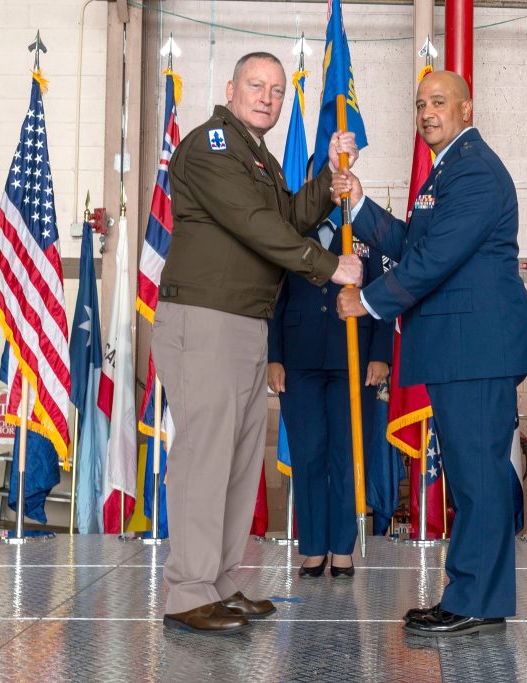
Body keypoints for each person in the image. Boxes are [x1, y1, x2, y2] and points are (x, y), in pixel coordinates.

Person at [152, 51, 362, 635]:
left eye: (276, 89)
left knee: (239, 461)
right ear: (230, 88)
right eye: (256, 85)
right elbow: (253, 223)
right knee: (204, 458)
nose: (268, 96)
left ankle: (217, 582)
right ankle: (188, 592)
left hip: (244, 321)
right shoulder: (211, 145)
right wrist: (330, 266)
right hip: (205, 319)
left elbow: (289, 215)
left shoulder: (259, 157)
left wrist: (327, 180)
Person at [335, 70, 527, 637]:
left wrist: (369, 303)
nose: (427, 112)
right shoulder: (448, 168)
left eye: (439, 102)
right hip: (462, 347)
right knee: (473, 474)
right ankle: (473, 593)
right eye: (420, 103)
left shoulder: (474, 169)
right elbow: (417, 244)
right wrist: (359, 207)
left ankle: (477, 600)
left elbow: (436, 260)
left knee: (477, 476)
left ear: (466, 108)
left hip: (477, 347)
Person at [267, 200, 393, 578]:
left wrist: (381, 355)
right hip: (299, 360)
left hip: (354, 358)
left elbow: (386, 293)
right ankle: (312, 548)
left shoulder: (366, 233)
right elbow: (273, 298)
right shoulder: (288, 231)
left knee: (348, 455)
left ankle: (341, 548)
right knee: (308, 456)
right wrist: (274, 357)